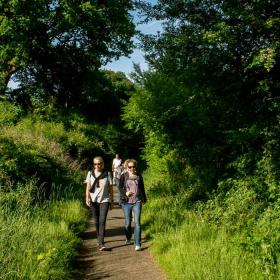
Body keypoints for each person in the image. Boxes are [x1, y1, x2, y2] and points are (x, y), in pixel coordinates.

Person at [85, 156, 113, 251]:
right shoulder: (90, 173)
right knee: (96, 221)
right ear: (93, 165)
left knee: (102, 221)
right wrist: (87, 198)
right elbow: (88, 187)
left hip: (104, 200)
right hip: (93, 200)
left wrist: (112, 201)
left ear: (103, 164)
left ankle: (101, 243)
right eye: (95, 164)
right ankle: (99, 239)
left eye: (99, 163)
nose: (97, 165)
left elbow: (111, 188)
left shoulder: (107, 173)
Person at [118, 159, 147, 251]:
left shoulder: (139, 176)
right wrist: (125, 193)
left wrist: (144, 199)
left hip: (137, 201)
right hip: (126, 202)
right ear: (127, 167)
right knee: (128, 223)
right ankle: (128, 237)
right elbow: (119, 187)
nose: (132, 168)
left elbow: (142, 188)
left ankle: (137, 243)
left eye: (133, 166)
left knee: (137, 223)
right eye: (130, 167)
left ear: (136, 167)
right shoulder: (124, 176)